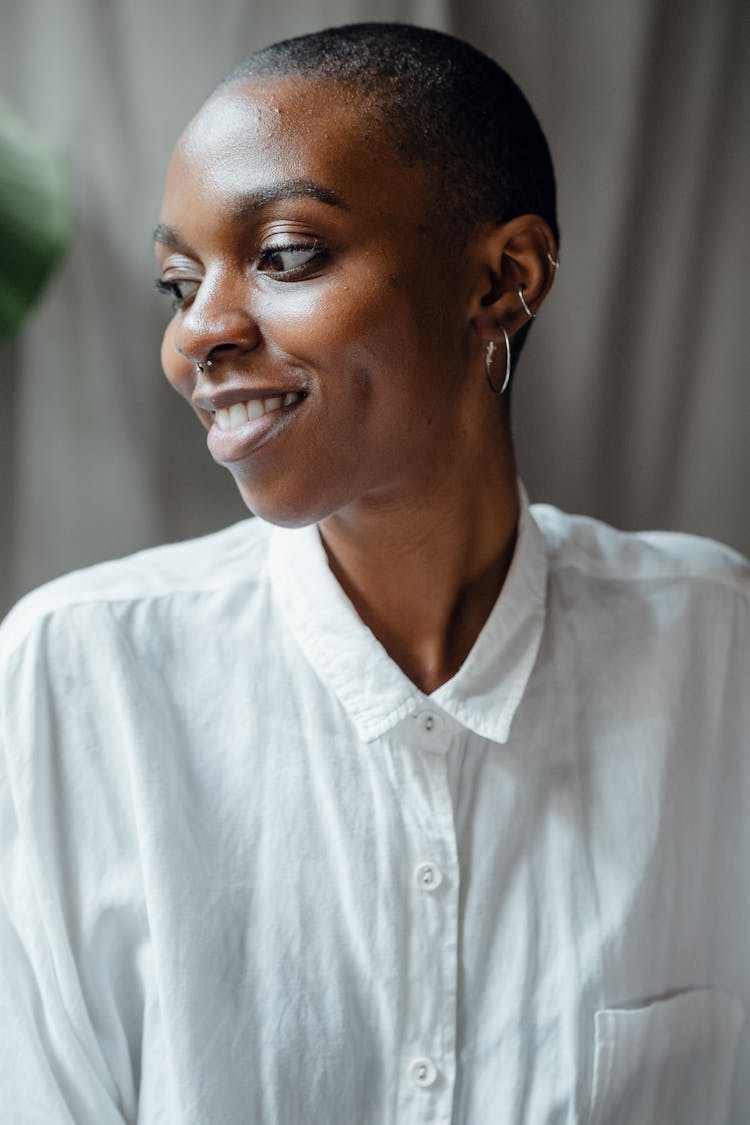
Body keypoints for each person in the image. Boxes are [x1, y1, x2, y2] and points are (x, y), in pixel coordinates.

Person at [0, 22, 748, 1125]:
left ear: (504, 279)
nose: (196, 335)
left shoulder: (721, 659)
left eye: (286, 255)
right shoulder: (77, 676)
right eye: (176, 281)